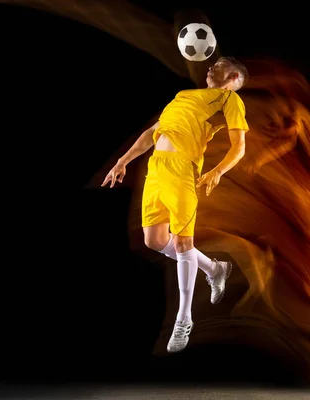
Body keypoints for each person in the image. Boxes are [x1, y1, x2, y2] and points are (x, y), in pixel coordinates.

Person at [101, 56, 250, 353]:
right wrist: (122, 161)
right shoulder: (184, 96)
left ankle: (184, 319)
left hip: (183, 169)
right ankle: (214, 269)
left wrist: (217, 171)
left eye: (218, 64)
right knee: (154, 240)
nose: (210, 67)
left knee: (183, 243)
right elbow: (151, 133)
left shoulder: (229, 100)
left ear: (233, 77)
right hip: (156, 168)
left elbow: (239, 146)